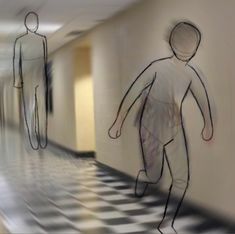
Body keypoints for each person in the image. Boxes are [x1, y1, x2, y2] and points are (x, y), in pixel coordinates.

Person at [108, 21, 214, 233]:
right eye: (184, 47)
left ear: (195, 49)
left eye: (190, 48)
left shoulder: (190, 74)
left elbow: (202, 99)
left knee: (181, 179)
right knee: (155, 176)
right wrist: (118, 121)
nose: (187, 52)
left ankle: (167, 223)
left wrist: (208, 124)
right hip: (150, 127)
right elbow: (133, 92)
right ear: (174, 46)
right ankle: (145, 176)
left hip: (174, 127)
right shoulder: (157, 67)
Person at [13, 11, 48, 150]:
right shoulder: (20, 40)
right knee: (29, 109)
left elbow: (45, 59)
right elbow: (17, 60)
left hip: (39, 77)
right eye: (31, 22)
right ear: (26, 25)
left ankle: (41, 136)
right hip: (27, 78)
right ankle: (31, 137)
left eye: (35, 22)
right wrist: (17, 81)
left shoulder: (43, 38)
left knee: (41, 109)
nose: (33, 25)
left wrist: (45, 78)